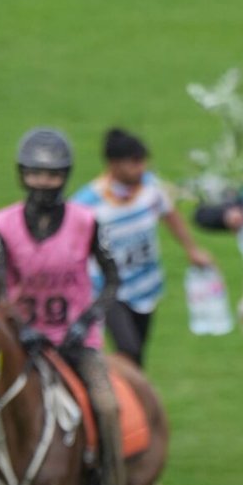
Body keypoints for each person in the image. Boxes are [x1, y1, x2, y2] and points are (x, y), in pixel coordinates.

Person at [0, 128, 132, 485]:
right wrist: (20, 326)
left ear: (64, 177)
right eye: (34, 174)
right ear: (22, 175)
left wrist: (87, 321)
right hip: (22, 342)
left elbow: (112, 280)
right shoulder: (2, 225)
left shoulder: (88, 223)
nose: (42, 184)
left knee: (106, 406)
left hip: (75, 344)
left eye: (51, 176)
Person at [72, 127, 212, 366]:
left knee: (138, 354)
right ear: (114, 165)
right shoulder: (86, 204)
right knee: (129, 349)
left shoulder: (150, 188)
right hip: (110, 289)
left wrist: (192, 249)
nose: (142, 168)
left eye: (143, 161)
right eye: (134, 162)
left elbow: (170, 215)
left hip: (146, 286)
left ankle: (134, 397)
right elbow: (69, 244)